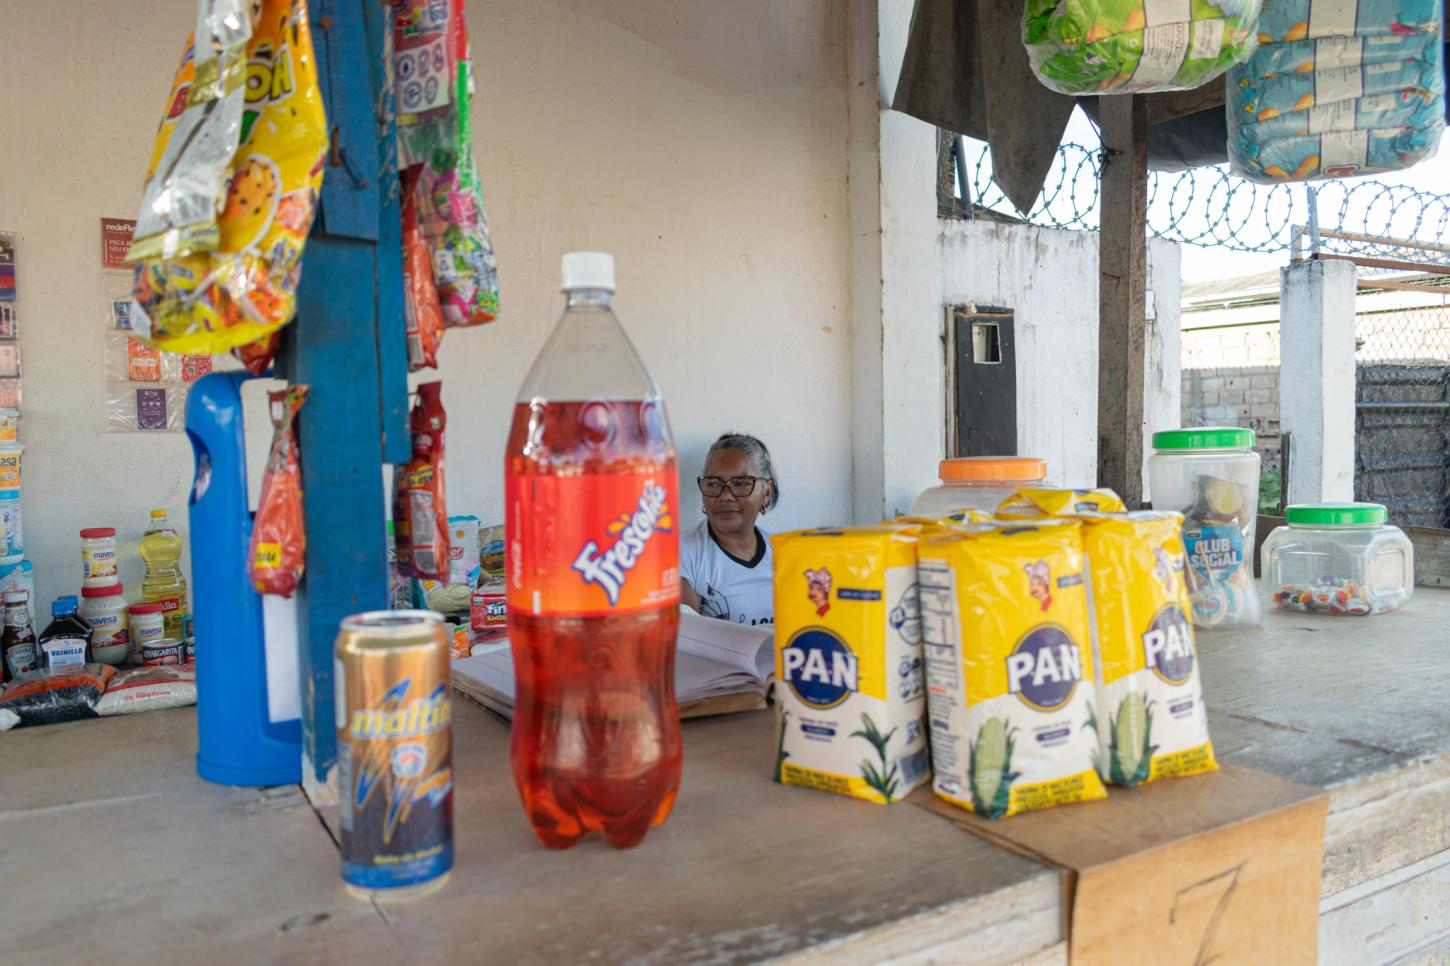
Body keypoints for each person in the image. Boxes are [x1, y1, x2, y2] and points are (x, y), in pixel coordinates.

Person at [680, 433, 778, 626]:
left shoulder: (785, 551)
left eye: (741, 483)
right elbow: (687, 637)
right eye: (714, 484)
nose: (725, 496)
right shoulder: (680, 553)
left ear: (766, 492)